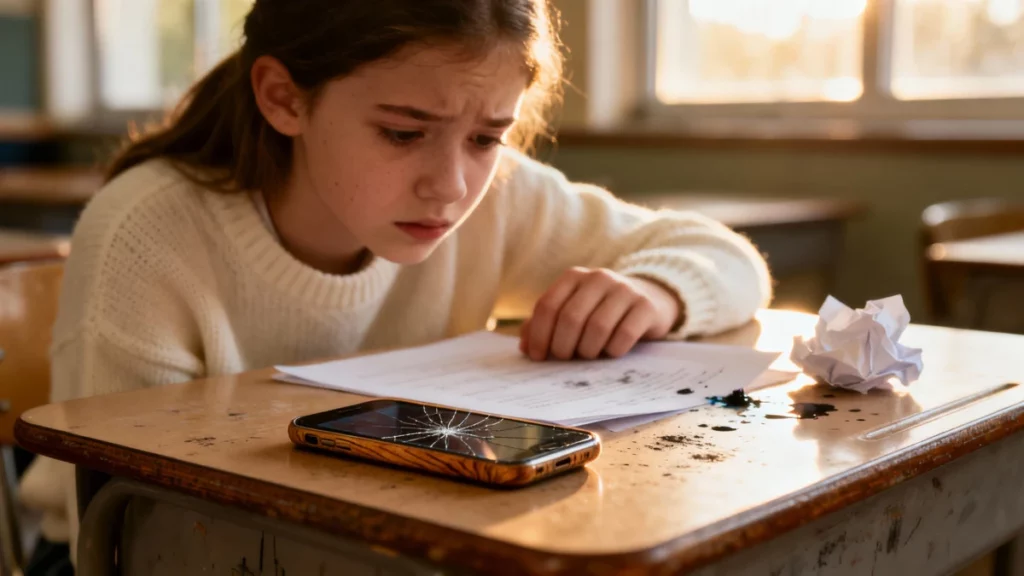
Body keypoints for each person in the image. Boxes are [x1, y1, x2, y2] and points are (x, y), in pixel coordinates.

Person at [20, 0, 772, 570]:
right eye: (404, 134)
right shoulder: (147, 232)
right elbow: (133, 512)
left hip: (375, 537)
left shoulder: (501, 196)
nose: (450, 187)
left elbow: (725, 257)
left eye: (486, 138)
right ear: (284, 98)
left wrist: (659, 291)